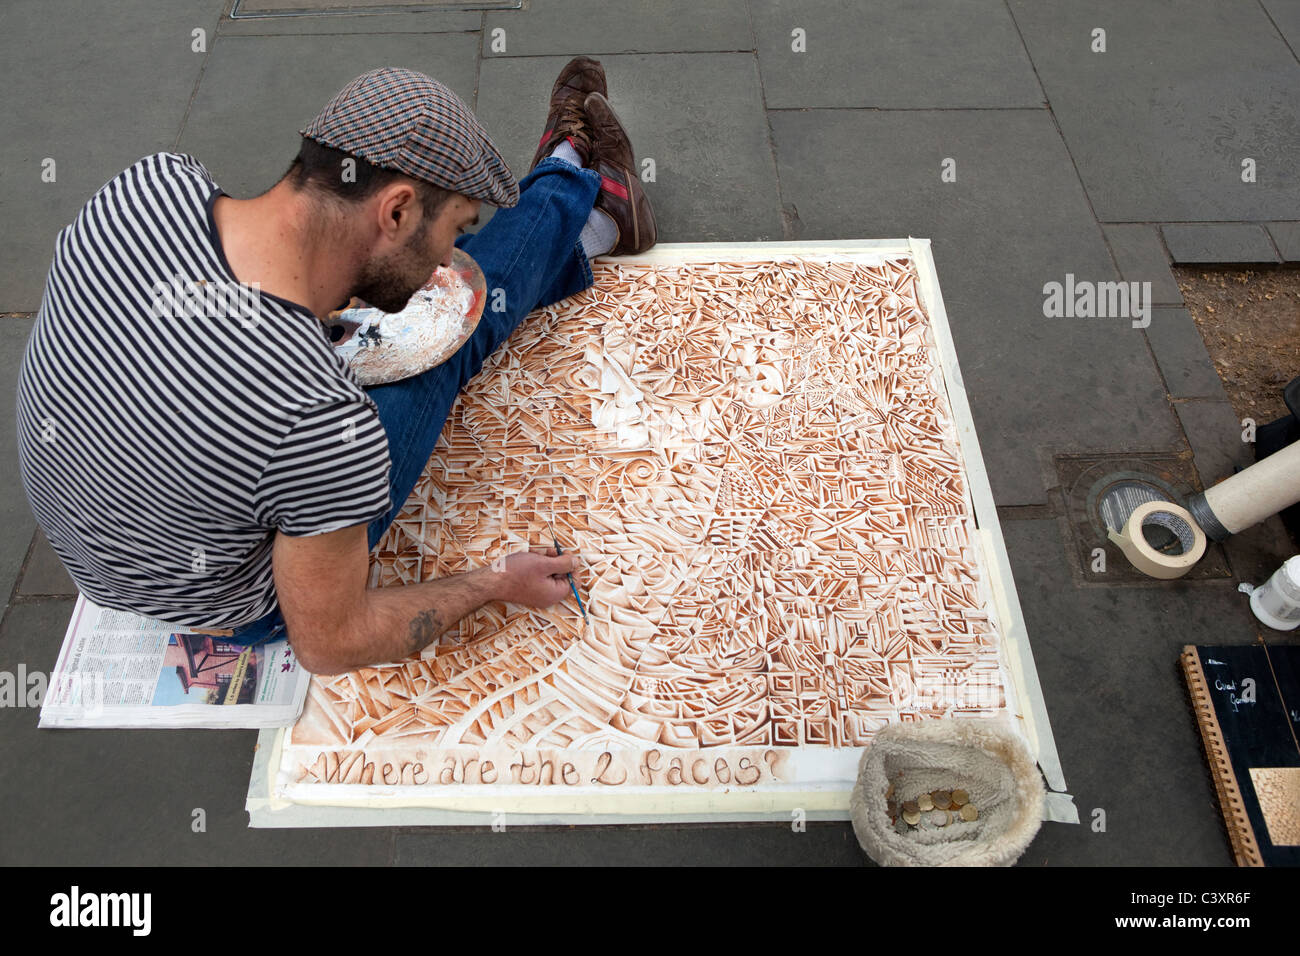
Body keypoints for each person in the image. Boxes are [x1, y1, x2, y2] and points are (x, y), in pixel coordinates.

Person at [15, 60, 656, 674]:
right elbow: (330, 643)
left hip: (90, 541)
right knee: (456, 341)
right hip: (226, 603)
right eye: (454, 233)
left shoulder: (148, 187)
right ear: (397, 211)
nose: (446, 264)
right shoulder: (320, 420)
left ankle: (579, 192)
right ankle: (586, 201)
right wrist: (495, 583)